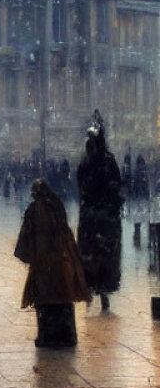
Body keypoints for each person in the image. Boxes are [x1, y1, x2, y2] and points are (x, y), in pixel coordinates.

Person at [14, 178, 92, 347]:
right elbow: (65, 232)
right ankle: (66, 336)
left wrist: (27, 254)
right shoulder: (57, 207)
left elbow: (26, 236)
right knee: (62, 299)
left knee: (44, 300)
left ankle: (47, 337)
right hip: (60, 262)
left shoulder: (33, 210)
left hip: (42, 263)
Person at [77, 110, 123, 311]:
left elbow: (114, 184)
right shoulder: (93, 161)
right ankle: (95, 290)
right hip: (97, 215)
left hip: (99, 215)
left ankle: (99, 291)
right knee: (96, 255)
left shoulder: (101, 161)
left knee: (100, 255)